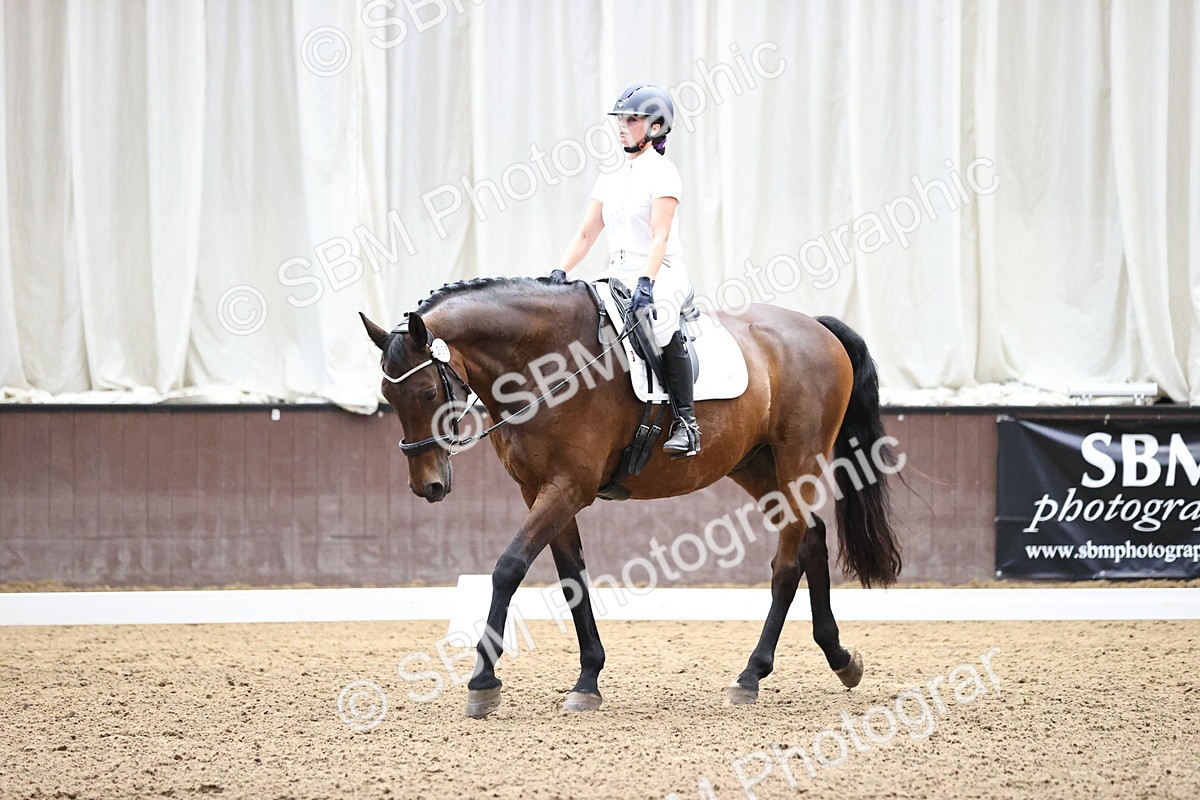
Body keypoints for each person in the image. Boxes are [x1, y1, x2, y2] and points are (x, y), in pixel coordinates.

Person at [549, 83, 700, 457]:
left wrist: (647, 283)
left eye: (632, 119)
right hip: (617, 271)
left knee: (660, 323)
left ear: (656, 127)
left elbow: (659, 236)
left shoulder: (664, 174)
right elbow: (586, 233)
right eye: (620, 119)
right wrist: (559, 272)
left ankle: (687, 423)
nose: (622, 126)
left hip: (661, 269)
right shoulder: (609, 177)